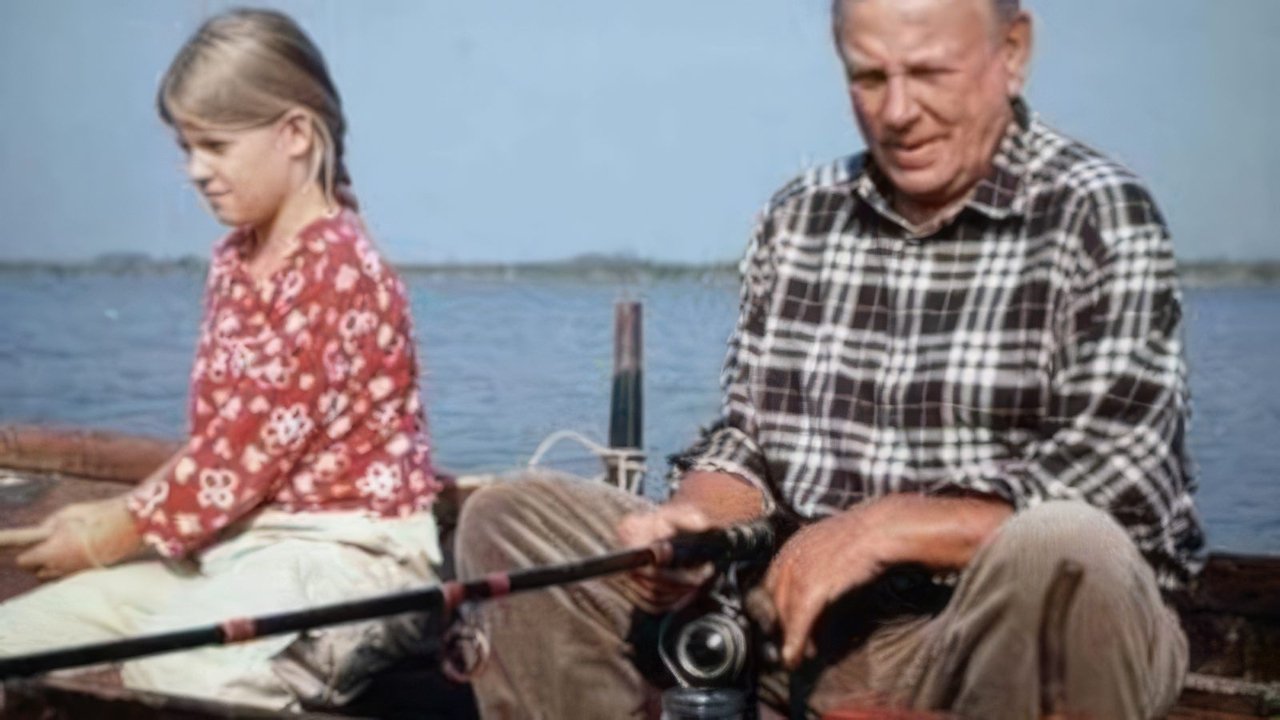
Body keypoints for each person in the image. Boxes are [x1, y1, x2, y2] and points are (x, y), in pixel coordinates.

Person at [454, 0, 1204, 717]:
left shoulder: (1099, 212)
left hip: (977, 636)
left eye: (930, 73)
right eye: (869, 78)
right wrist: (694, 522)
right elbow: (746, 445)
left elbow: (1116, 503)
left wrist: (882, 528)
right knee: (510, 519)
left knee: (1065, 547)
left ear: (1013, 53)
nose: (899, 111)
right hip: (789, 622)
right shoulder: (800, 215)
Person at [0, 9, 443, 711]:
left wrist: (114, 530)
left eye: (214, 145)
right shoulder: (235, 261)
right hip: (233, 554)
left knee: (186, 674)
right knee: (14, 638)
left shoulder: (338, 267)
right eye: (186, 147)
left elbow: (247, 451)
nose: (195, 171)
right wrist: (121, 514)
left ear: (295, 135)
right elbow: (219, 447)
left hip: (353, 562)